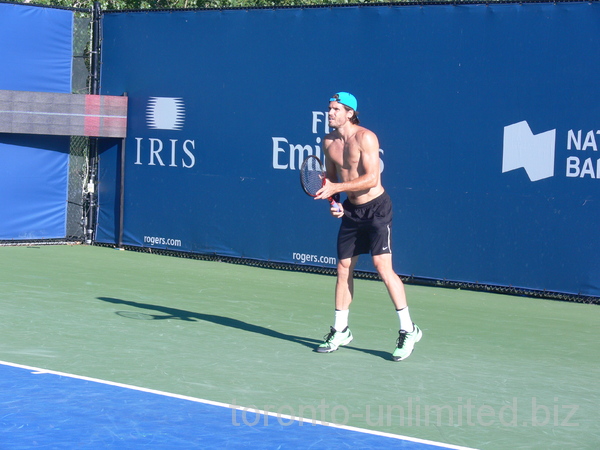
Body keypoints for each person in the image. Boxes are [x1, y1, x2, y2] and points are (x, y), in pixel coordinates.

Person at [314, 92, 422, 361]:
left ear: (350, 113)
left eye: (336, 109)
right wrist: (335, 202)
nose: (330, 113)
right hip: (350, 210)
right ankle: (341, 330)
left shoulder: (366, 138)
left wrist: (336, 187)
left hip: (376, 209)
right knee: (343, 268)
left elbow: (372, 178)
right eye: (329, 108)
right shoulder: (328, 142)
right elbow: (330, 177)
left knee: (382, 267)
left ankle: (408, 330)